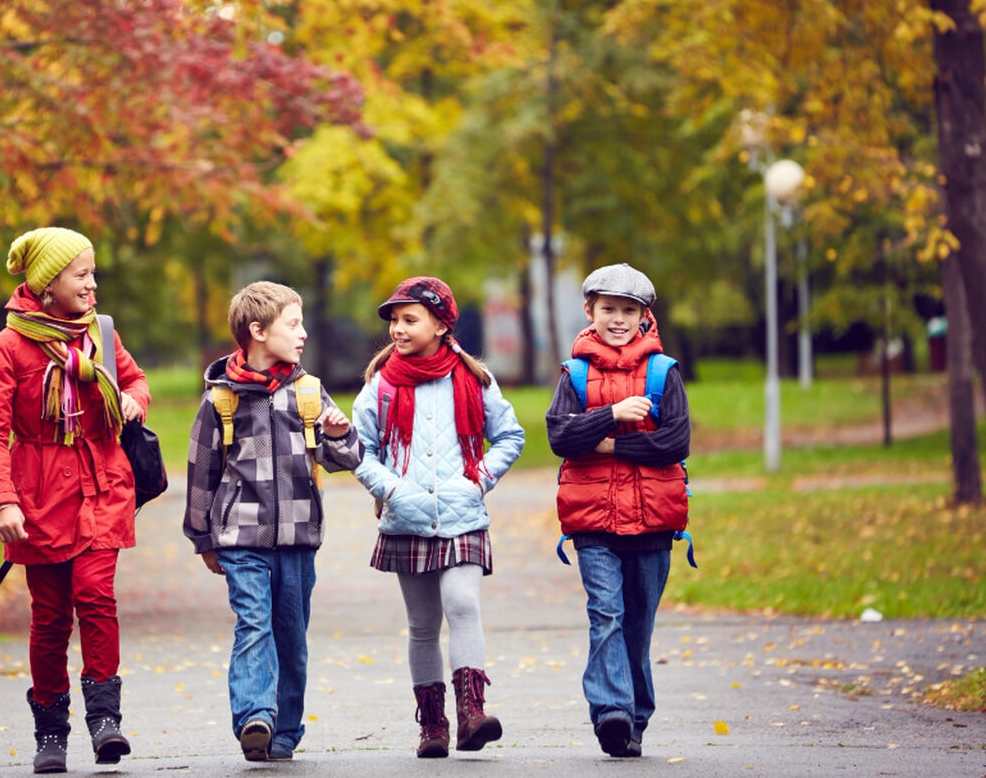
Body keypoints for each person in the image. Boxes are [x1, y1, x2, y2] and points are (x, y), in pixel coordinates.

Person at [0, 227, 151, 774]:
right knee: (50, 617)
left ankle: (105, 722)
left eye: (93, 274)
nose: (93, 285)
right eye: (82, 275)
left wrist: (131, 399)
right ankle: (51, 732)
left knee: (96, 597)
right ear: (48, 285)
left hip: (102, 484)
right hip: (40, 494)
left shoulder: (101, 333)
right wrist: (3, 501)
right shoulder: (10, 346)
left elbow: (139, 382)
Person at [183, 280, 364, 763]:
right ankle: (254, 717)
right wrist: (203, 538)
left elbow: (346, 457)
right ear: (258, 332)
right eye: (293, 324)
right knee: (254, 624)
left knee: (291, 634)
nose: (302, 333)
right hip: (241, 536)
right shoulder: (221, 400)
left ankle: (284, 730)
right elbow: (201, 471)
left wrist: (341, 436)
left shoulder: (308, 393)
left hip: (299, 536)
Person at [351, 276, 525, 758]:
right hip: (406, 519)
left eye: (409, 319)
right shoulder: (380, 386)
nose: (398, 330)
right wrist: (390, 489)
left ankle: (472, 713)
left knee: (463, 604)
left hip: (463, 515)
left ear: (441, 324)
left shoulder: (473, 381)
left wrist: (478, 481)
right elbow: (357, 451)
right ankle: (433, 726)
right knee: (423, 624)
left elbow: (510, 436)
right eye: (394, 321)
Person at [544, 263, 691, 759]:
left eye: (629, 310)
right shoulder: (576, 374)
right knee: (605, 613)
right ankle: (611, 712)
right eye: (609, 309)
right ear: (590, 312)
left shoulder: (663, 373)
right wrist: (611, 415)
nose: (619, 319)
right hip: (593, 523)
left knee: (638, 625)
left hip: (653, 521)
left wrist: (605, 446)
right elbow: (559, 436)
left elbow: (674, 443)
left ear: (645, 316)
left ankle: (636, 719)